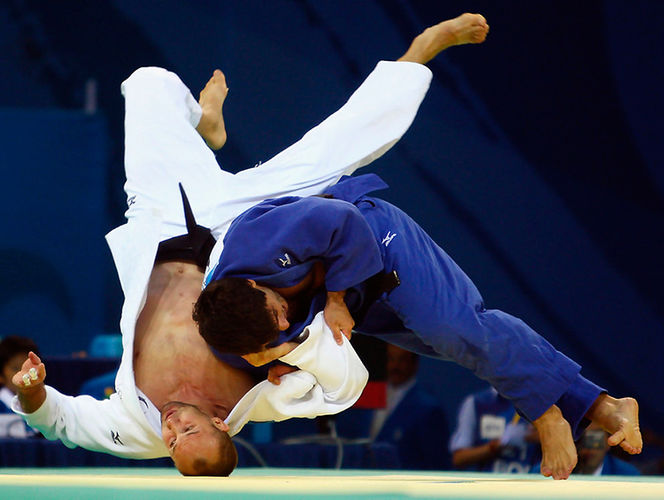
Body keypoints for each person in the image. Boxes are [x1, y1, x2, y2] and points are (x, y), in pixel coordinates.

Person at [10, 14, 489, 476]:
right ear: (221, 425)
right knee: (333, 152)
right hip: (236, 235)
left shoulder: (139, 428)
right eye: (188, 430)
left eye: (172, 442)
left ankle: (202, 125)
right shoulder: (256, 400)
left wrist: (32, 394)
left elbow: (62, 421)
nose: (172, 428)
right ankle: (419, 54)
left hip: (162, 225)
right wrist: (297, 355)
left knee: (146, 83)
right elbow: (346, 387)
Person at [194, 159, 642, 479]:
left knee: (455, 329)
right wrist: (272, 363)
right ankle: (604, 407)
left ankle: (546, 415)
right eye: (274, 329)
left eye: (277, 311)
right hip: (359, 299)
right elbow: (256, 355)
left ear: (251, 283)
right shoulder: (227, 334)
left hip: (373, 239)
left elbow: (343, 221)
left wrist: (335, 298)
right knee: (463, 347)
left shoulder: (254, 240)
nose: (283, 321)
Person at [335, 343, 451, 470]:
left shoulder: (428, 409)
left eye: (402, 360)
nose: (395, 366)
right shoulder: (369, 395)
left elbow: (437, 462)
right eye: (391, 359)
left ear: (414, 363)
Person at [449, 386, 540, 473]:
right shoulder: (476, 403)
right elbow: (459, 458)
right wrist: (495, 446)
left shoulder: (540, 402)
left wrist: (528, 437)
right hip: (489, 480)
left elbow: (548, 437)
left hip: (530, 479)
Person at [0, 336, 40, 438]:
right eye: (16, 368)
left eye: (29, 369)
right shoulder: (2, 407)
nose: (24, 375)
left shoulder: (46, 405)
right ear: (1, 375)